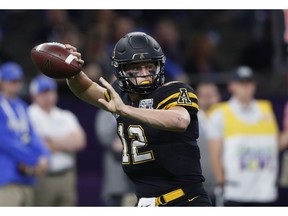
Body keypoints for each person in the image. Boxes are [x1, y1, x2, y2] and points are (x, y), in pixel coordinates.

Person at [63, 31, 212, 207]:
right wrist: (72, 71)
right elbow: (85, 88)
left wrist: (126, 110)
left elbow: (179, 120)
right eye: (136, 69)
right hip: (144, 202)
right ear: (121, 71)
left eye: (150, 67)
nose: (145, 74)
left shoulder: (173, 91)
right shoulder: (121, 96)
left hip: (183, 200)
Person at [206, 66, 279, 206]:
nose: (246, 87)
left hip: (265, 192)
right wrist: (221, 183)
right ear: (232, 86)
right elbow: (215, 153)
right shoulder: (220, 113)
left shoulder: (266, 109)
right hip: (235, 192)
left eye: (249, 82)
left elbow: (275, 144)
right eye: (241, 83)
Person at [28, 75, 86, 206]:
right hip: (43, 178)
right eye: (43, 92)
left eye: (51, 92)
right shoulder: (29, 115)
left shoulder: (65, 115)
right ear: (34, 95)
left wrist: (52, 142)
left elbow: (79, 141)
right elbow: (37, 146)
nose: (48, 96)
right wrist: (65, 141)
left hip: (67, 175)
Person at [0, 62, 50, 206]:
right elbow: (6, 142)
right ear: (2, 82)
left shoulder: (22, 106)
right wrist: (34, 159)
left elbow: (33, 136)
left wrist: (44, 157)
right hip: (6, 179)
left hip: (28, 180)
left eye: (18, 81)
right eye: (12, 81)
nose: (15, 85)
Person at [95, 109, 137, 206]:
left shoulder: (137, 108)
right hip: (116, 179)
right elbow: (107, 139)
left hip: (139, 180)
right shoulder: (105, 113)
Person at [196, 81, 221, 206]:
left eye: (211, 95)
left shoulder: (228, 118)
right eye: (204, 95)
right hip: (196, 187)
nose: (208, 99)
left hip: (223, 186)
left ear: (218, 97)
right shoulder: (188, 120)